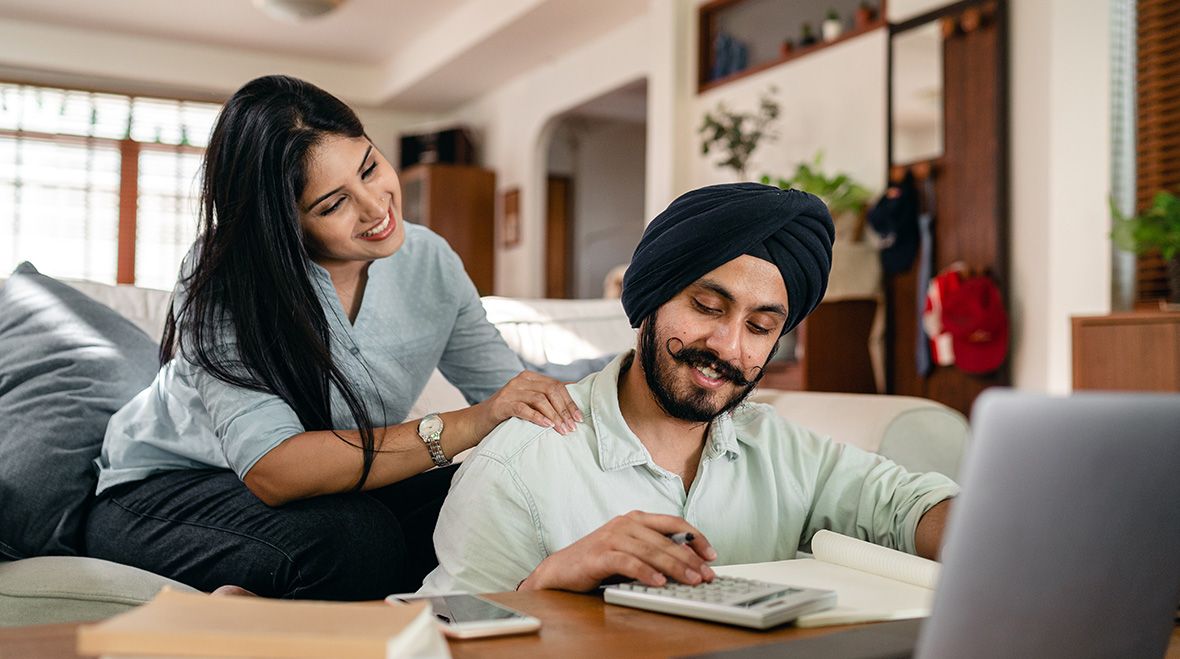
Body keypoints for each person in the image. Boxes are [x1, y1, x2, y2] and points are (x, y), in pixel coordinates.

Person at [85, 75, 583, 600]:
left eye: (369, 167)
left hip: (329, 493)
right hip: (165, 490)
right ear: (283, 223)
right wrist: (470, 423)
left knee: (491, 501)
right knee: (354, 541)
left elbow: (510, 396)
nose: (376, 208)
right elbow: (275, 470)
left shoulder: (430, 260)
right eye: (333, 204)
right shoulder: (227, 276)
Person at [421, 183, 959, 594]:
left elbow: (904, 507)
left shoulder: (778, 449)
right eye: (707, 307)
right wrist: (546, 586)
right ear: (652, 300)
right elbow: (442, 642)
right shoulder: (518, 464)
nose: (728, 346)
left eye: (760, 327)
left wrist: (1000, 535)